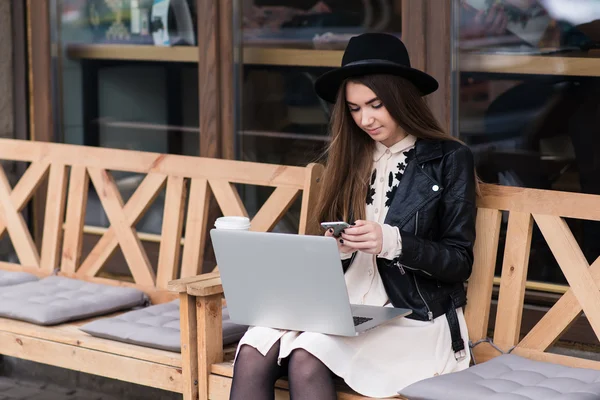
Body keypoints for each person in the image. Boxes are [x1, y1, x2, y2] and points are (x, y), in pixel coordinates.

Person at [229, 32, 478, 399]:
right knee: (253, 351)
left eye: (375, 104)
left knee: (304, 357)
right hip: (341, 305)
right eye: (355, 108)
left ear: (401, 98)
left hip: (411, 317)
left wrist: (391, 242)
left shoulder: (448, 159)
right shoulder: (351, 156)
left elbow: (459, 261)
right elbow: (337, 242)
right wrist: (338, 249)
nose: (365, 119)